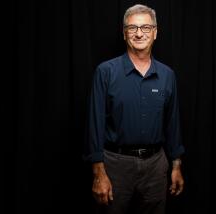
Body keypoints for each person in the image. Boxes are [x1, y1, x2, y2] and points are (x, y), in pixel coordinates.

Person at [85, 4, 185, 214]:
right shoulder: (106, 72)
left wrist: (176, 166)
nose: (139, 33)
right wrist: (98, 173)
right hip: (115, 167)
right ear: (124, 33)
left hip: (156, 166)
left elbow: (173, 124)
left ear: (155, 32)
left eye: (146, 28)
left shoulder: (168, 75)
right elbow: (94, 124)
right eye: (132, 28)